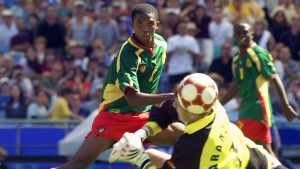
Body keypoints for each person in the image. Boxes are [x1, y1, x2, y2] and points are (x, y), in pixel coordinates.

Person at [56, 4, 184, 169]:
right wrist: (170, 97)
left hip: (143, 116)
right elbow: (132, 98)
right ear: (131, 25)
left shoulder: (161, 44)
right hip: (115, 117)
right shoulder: (128, 53)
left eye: (150, 23)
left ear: (157, 25)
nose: (145, 28)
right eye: (139, 23)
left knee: (189, 137)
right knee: (78, 165)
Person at [109, 73, 286, 169]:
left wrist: (138, 158)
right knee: (151, 155)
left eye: (179, 104)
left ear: (191, 113)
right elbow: (166, 110)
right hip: (263, 162)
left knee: (147, 157)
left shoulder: (193, 146)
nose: (175, 105)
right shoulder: (211, 104)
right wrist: (140, 134)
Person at [220, 22, 299, 156]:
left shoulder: (258, 53)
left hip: (257, 110)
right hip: (246, 110)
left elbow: (275, 79)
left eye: (245, 32)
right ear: (234, 36)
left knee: (250, 152)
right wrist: (216, 105)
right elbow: (234, 89)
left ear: (252, 34)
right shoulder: (237, 59)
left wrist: (285, 105)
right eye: (238, 33)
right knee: (261, 154)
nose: (241, 36)